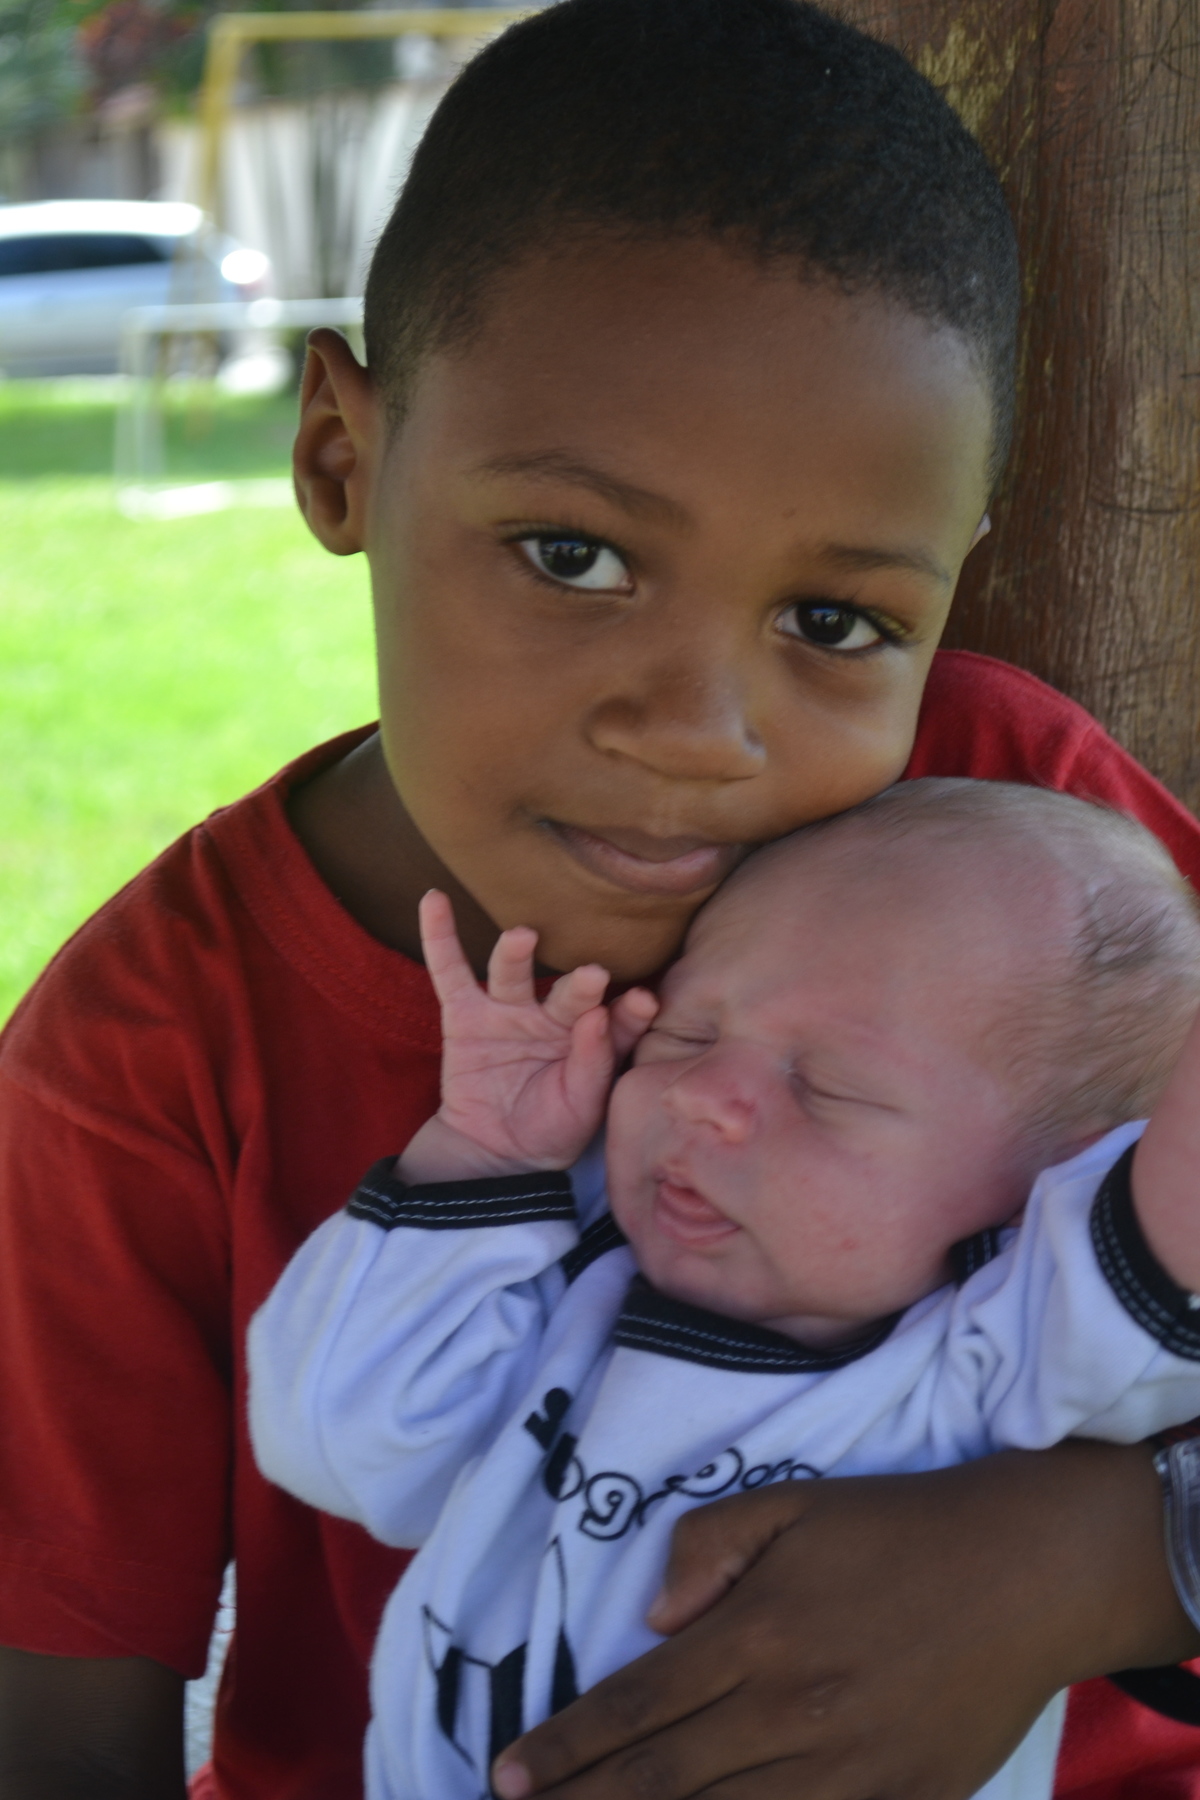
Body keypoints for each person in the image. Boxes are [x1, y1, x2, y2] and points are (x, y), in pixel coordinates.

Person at [2, 2, 1200, 1796]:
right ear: (342, 456)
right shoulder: (146, 1059)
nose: (700, 733)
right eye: (574, 557)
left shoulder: (1018, 829)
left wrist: (1096, 1566)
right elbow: (61, 1711)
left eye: (836, 622)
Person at [248, 779, 1200, 1800]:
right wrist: (475, 1160)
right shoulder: (569, 1289)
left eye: (827, 1086)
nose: (703, 1098)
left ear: (1059, 1185)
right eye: (686, 1035)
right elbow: (339, 1451)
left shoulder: (1003, 1361)